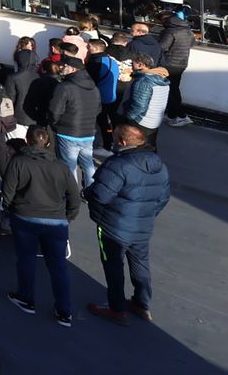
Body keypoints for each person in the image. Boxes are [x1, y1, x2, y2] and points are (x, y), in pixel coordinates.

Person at [85, 122, 172, 325]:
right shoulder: (159, 164)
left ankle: (116, 309)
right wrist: (148, 215)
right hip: (143, 226)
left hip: (113, 226)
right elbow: (163, 197)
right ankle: (142, 303)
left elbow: (100, 195)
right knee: (140, 264)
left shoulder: (118, 164)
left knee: (113, 267)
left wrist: (87, 195)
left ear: (122, 142)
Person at [2, 127, 81, 328]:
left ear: (27, 141)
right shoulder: (61, 167)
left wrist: (12, 210)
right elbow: (74, 196)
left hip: (25, 218)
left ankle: (26, 298)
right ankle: (64, 311)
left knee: (26, 260)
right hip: (56, 222)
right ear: (47, 143)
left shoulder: (18, 162)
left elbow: (7, 193)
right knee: (58, 266)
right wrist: (68, 217)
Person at [43, 55, 99, 188]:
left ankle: (71, 192)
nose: (61, 67)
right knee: (88, 163)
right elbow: (98, 109)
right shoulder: (94, 87)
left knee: (69, 166)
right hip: (88, 133)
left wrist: (55, 124)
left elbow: (54, 111)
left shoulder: (64, 87)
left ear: (73, 69)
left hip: (68, 133)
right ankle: (91, 191)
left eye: (64, 66)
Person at [119, 54, 170, 147]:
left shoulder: (143, 81)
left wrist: (128, 118)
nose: (131, 66)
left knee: (134, 146)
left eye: (132, 63)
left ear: (140, 65)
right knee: (149, 146)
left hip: (142, 121)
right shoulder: (160, 78)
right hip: (154, 121)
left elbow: (139, 105)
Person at [157, 7, 194, 127]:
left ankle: (182, 116)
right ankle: (172, 115)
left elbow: (162, 47)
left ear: (166, 19)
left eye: (161, 20)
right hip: (181, 63)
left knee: (171, 91)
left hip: (169, 63)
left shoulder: (170, 31)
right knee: (173, 89)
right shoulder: (187, 30)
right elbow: (192, 43)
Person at [5, 39, 41, 141]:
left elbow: (9, 100)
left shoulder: (13, 77)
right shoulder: (39, 76)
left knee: (16, 145)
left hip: (18, 118)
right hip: (35, 119)